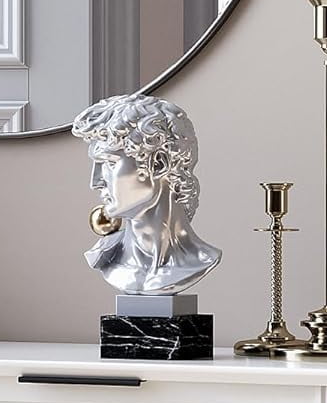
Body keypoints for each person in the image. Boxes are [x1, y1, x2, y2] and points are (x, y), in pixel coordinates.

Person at [73, 93, 221, 296]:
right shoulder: (109, 260)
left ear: (159, 164)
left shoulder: (202, 260)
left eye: (110, 163)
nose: (95, 182)